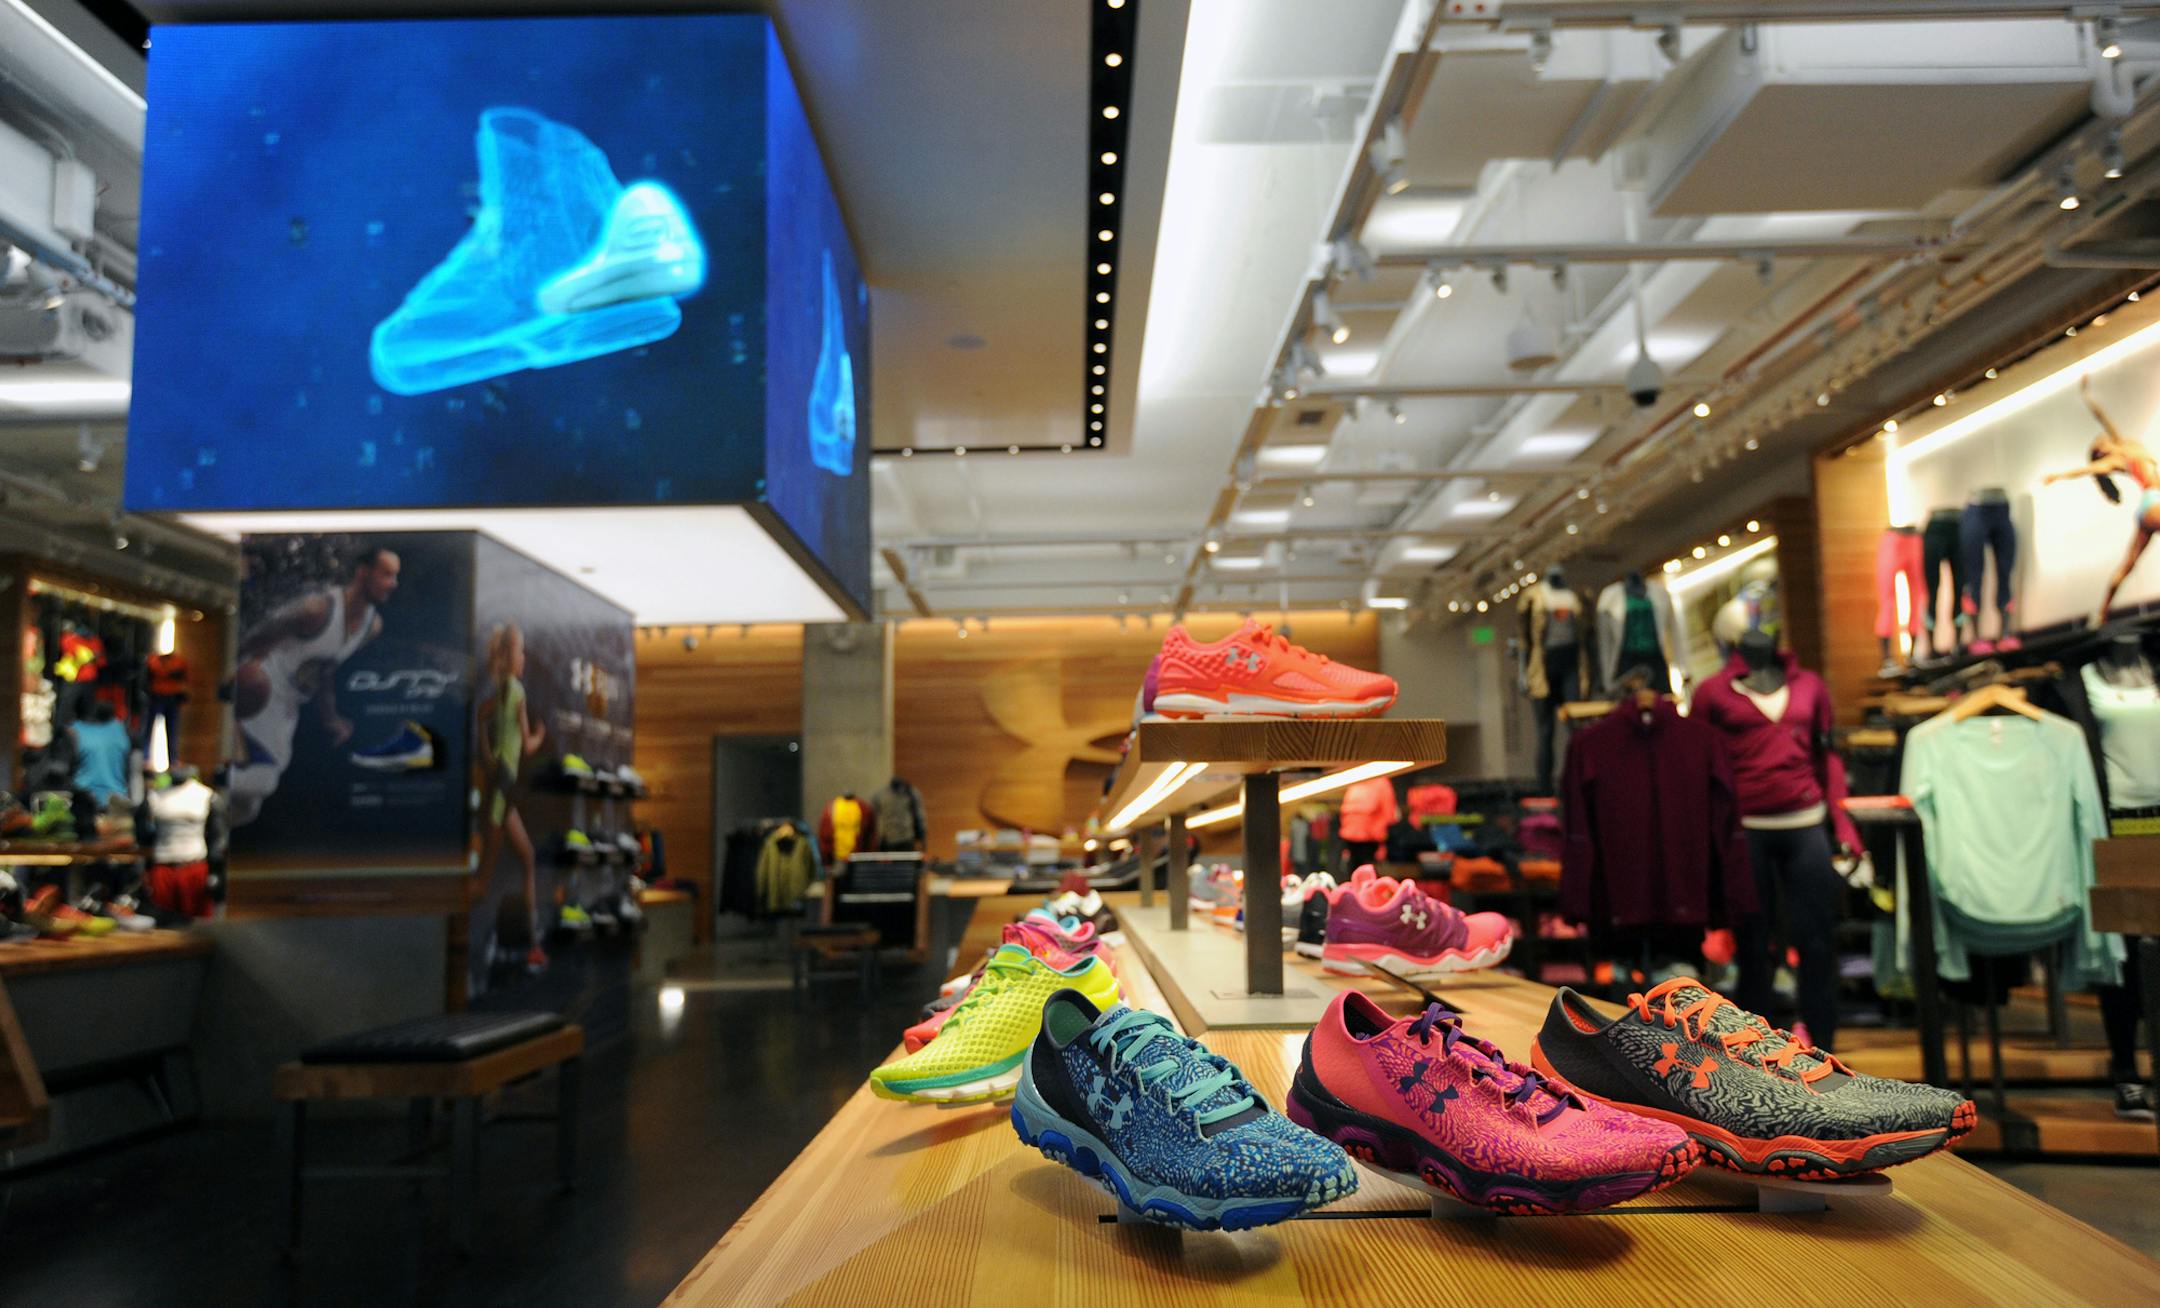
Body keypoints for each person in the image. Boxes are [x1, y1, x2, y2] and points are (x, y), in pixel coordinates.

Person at [228, 547, 399, 825]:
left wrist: (330, 716)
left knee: (247, 808)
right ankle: (196, 783)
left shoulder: (372, 626)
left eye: (395, 576)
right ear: (363, 572)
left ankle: (199, 814)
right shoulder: (316, 609)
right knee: (263, 782)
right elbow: (255, 637)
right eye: (387, 575)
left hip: (288, 706)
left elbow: (326, 670)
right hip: (262, 689)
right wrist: (232, 682)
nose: (393, 583)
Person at [2045, 376, 2160, 628]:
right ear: (2101, 451)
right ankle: (2101, 615)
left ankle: (2101, 614)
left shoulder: (2123, 444)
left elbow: (2102, 418)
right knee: (2129, 563)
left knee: (2128, 564)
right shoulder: (2114, 460)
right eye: (2098, 443)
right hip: (2154, 501)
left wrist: (2087, 397)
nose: (2102, 437)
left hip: (2147, 509)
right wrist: (2059, 476)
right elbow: (2085, 470)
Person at [475, 623, 548, 969]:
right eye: (520, 651)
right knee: (487, 879)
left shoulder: (500, 691)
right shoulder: (516, 690)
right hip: (504, 787)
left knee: (521, 859)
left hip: (500, 784)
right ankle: (527, 943)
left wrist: (487, 749)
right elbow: (528, 746)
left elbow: (484, 726)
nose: (524, 657)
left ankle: (529, 943)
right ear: (508, 655)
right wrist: (540, 734)